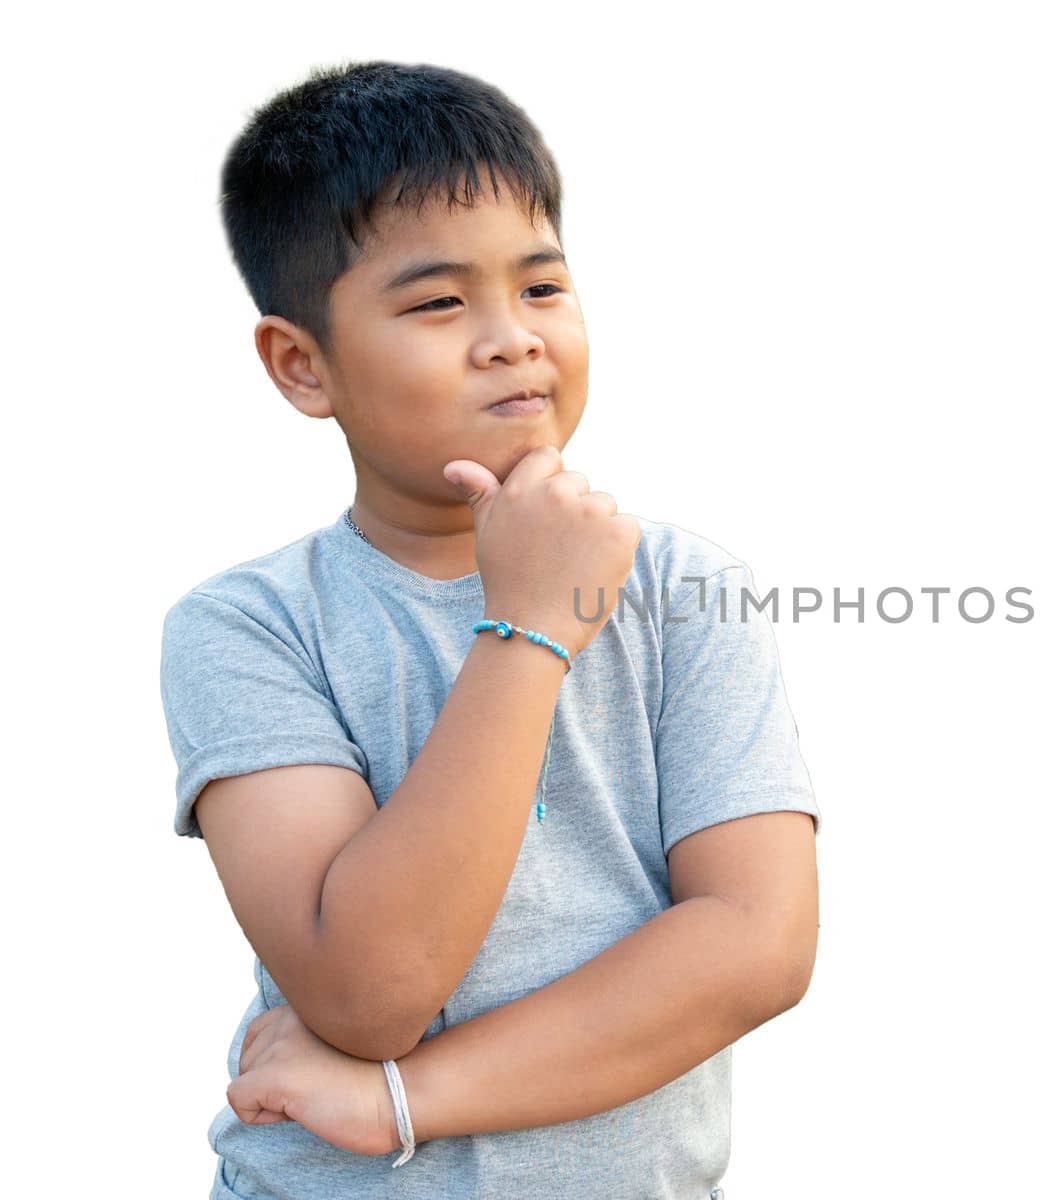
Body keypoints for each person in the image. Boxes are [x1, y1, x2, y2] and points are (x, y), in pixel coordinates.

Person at [157, 59, 821, 1200]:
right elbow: (371, 988)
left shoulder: (687, 588)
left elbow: (756, 942)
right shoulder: (248, 629)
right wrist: (529, 626)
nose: (511, 338)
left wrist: (401, 1101)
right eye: (437, 303)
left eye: (542, 288)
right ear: (302, 364)